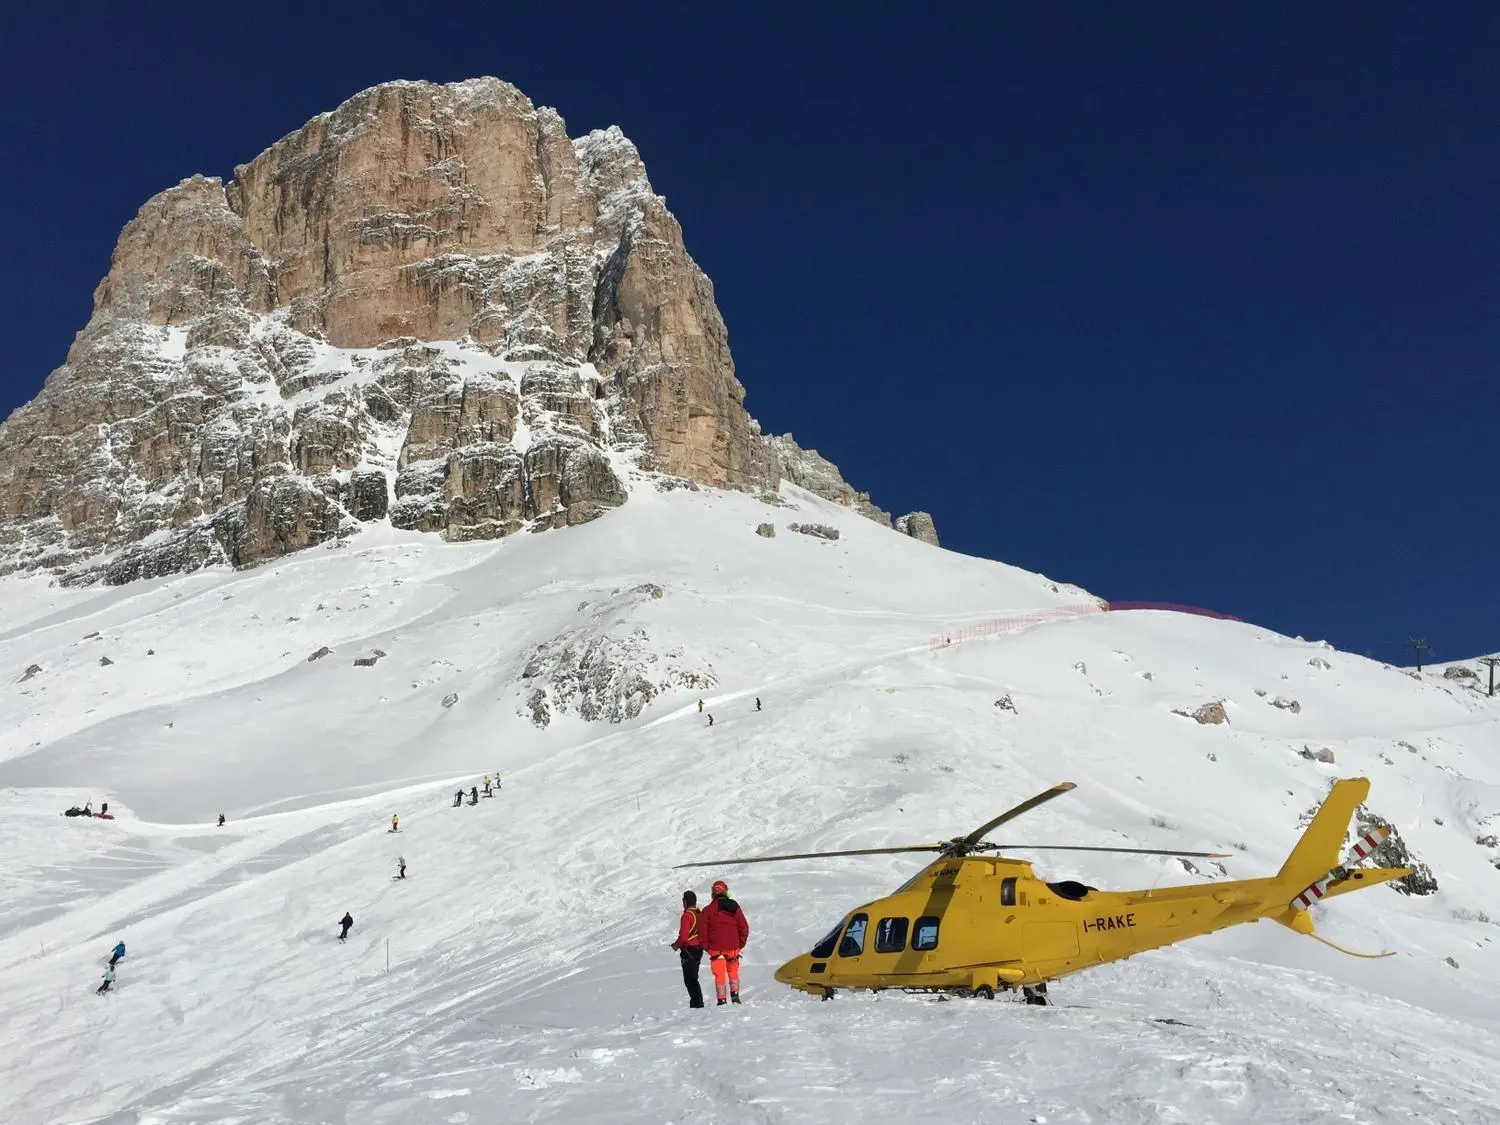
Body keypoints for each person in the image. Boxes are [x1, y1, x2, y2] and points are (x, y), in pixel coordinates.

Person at [699, 879, 749, 1005]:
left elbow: (702, 931)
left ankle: (721, 1000)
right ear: (725, 891)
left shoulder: (707, 910)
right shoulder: (734, 906)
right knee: (733, 972)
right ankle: (735, 995)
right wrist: (740, 944)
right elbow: (744, 927)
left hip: (716, 949)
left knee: (719, 975)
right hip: (733, 948)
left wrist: (707, 947)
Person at [670, 890, 705, 1008]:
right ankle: (697, 1003)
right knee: (694, 977)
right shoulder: (699, 913)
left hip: (689, 950)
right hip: (699, 949)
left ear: (685, 902)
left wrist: (676, 945)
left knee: (690, 979)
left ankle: (697, 1004)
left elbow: (684, 937)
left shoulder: (687, 916)